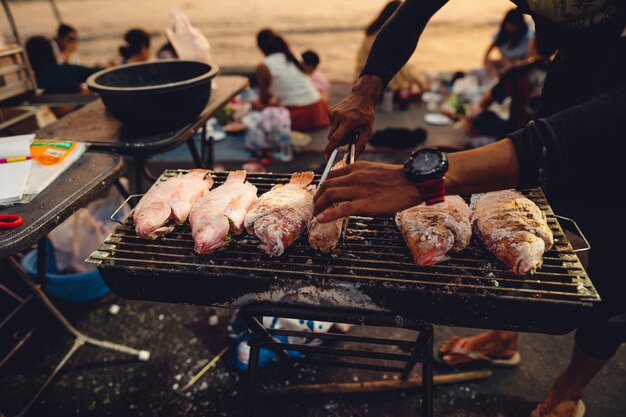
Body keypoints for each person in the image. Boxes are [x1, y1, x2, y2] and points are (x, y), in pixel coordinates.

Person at [316, 1, 625, 416]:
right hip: (574, 74)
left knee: (616, 269)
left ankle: (567, 391)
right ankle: (503, 338)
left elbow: (610, 120)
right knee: (531, 208)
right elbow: (414, 9)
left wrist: (422, 178)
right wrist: (367, 87)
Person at [471, 36, 551, 138]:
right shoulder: (559, 72)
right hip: (549, 131)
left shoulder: (520, 72)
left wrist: (478, 109)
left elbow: (488, 100)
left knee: (481, 117)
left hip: (519, 131)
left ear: (533, 45)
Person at [253, 29, 329, 132]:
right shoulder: (295, 57)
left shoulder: (263, 67)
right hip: (319, 111)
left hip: (299, 117)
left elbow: (264, 101)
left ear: (261, 47)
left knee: (254, 105)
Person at [355, 1, 428, 93]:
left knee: (410, 73)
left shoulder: (373, 32)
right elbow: (396, 67)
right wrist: (418, 80)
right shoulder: (381, 38)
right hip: (367, 80)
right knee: (408, 79)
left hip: (364, 77)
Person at [25, 36, 102, 95]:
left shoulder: (36, 79)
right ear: (50, 53)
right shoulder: (61, 70)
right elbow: (92, 73)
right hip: (75, 103)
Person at [484, 8, 534, 77]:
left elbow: (531, 55)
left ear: (519, 25)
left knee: (510, 66)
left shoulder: (528, 34)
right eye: (508, 24)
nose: (510, 27)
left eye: (513, 25)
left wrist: (515, 63)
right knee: (491, 63)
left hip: (520, 64)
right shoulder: (501, 34)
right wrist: (493, 71)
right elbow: (486, 56)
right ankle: (496, 77)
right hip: (504, 63)